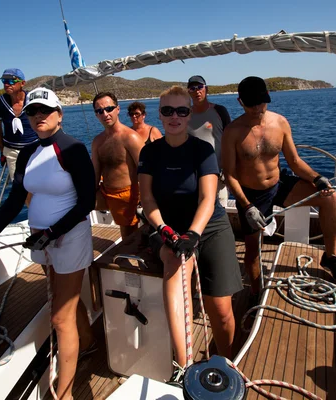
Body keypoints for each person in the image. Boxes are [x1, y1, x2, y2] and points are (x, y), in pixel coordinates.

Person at [0, 87, 96, 400]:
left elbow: (86, 202)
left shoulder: (73, 149)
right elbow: (12, 202)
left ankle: (64, 394)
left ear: (59, 116)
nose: (38, 117)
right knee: (66, 303)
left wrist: (52, 232)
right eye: (33, 112)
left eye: (45, 111)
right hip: (43, 240)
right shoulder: (26, 153)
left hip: (69, 237)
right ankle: (87, 340)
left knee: (60, 317)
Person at [138, 86, 243, 387]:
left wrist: (194, 234)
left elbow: (208, 199)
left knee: (220, 311)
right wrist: (167, 231)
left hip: (208, 226)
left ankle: (226, 362)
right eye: (167, 111)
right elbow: (147, 200)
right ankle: (184, 369)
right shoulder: (150, 152)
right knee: (174, 265)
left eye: (181, 111)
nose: (174, 116)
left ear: (189, 113)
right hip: (167, 227)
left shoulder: (202, 150)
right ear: (159, 114)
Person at [222, 76, 336, 301]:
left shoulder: (280, 122)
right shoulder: (232, 132)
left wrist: (317, 178)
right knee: (252, 252)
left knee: (329, 198)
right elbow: (230, 175)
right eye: (252, 104)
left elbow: (295, 162)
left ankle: (331, 256)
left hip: (279, 185)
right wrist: (247, 206)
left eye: (262, 102)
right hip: (251, 196)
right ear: (240, 101)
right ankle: (255, 294)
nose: (258, 108)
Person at [91, 92, 145, 239]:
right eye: (100, 111)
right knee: (74, 204)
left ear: (118, 109)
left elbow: (146, 171)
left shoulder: (130, 137)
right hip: (105, 192)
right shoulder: (97, 141)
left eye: (109, 108)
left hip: (127, 196)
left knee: (128, 238)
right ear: (96, 114)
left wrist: (145, 199)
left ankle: (128, 257)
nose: (105, 113)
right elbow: (95, 173)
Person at [187, 75, 232, 208]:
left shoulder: (219, 111)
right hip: (193, 176)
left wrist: (228, 169)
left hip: (219, 174)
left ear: (206, 89)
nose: (197, 91)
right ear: (188, 92)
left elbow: (229, 140)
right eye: (192, 88)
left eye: (200, 87)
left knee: (220, 211)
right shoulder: (184, 114)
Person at [0, 68, 38, 180]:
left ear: (22, 83)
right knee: (18, 185)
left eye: (11, 81)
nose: (7, 84)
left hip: (35, 149)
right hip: (12, 151)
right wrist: (2, 151)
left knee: (38, 182)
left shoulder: (32, 101)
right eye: (4, 81)